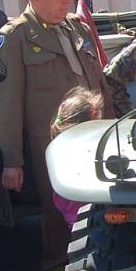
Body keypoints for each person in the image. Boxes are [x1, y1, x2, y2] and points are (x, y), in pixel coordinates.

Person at [0, 0, 114, 271]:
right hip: (52, 143)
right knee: (60, 213)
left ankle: (103, 264)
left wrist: (113, 130)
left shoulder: (77, 28)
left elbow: (99, 85)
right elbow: (6, 104)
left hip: (95, 135)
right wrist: (12, 160)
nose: (67, 2)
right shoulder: (15, 37)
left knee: (104, 204)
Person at [50, 87, 104, 228]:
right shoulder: (90, 154)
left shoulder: (62, 151)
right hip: (89, 218)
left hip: (72, 218)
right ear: (93, 116)